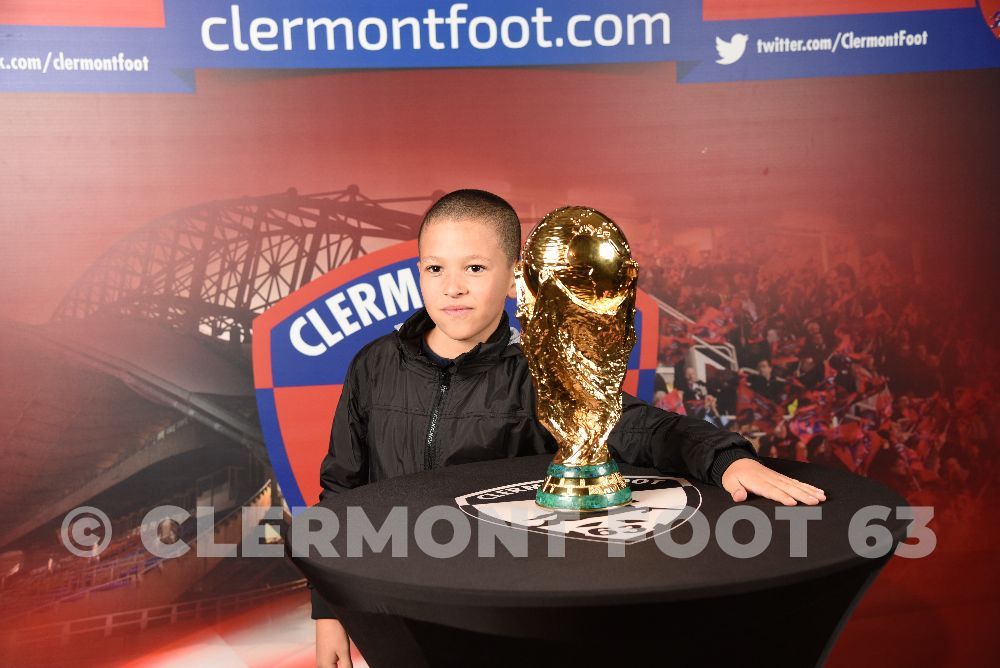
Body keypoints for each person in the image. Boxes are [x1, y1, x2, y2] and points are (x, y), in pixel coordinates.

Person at [308, 189, 826, 668]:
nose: (453, 286)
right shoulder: (373, 365)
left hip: (495, 611)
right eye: (435, 267)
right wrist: (330, 608)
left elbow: (641, 429)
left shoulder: (541, 369)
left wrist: (725, 458)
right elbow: (340, 490)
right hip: (392, 610)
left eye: (474, 266)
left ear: (515, 276)